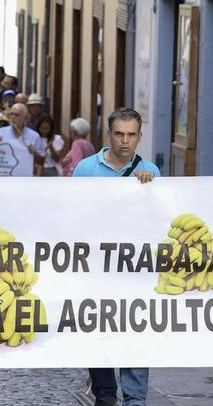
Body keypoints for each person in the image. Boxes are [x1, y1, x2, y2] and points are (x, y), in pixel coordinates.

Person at [73, 108, 159, 406]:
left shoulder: (150, 171)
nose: (125, 141)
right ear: (109, 135)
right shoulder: (86, 169)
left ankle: (135, 398)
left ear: (139, 136)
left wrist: (148, 189)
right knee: (98, 330)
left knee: (135, 330)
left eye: (131, 135)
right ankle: (105, 394)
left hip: (134, 270)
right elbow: (69, 213)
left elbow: (158, 220)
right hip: (95, 268)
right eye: (119, 134)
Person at [0, 103, 41, 176]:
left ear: (25, 118)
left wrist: (34, 152)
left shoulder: (34, 136)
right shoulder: (1, 132)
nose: (13, 117)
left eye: (16, 115)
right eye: (11, 114)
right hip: (5, 177)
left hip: (25, 178)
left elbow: (41, 162)